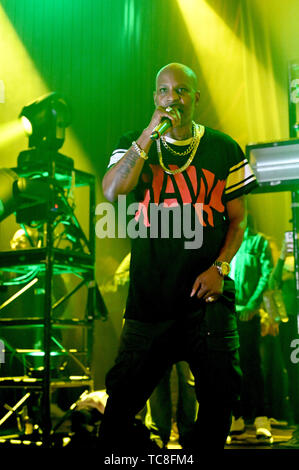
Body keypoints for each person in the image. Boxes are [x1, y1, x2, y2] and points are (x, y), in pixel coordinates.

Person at [99, 62, 258, 456]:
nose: (174, 98)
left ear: (196, 98)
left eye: (182, 90)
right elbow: (112, 191)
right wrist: (147, 136)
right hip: (150, 298)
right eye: (165, 91)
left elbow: (238, 221)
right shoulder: (133, 143)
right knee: (121, 401)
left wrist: (220, 267)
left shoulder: (224, 148)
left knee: (220, 398)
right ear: (155, 98)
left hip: (207, 298)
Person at [227, 217, 274, 442]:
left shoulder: (258, 243)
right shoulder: (225, 243)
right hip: (228, 313)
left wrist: (253, 304)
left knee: (251, 364)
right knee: (230, 366)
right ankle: (236, 416)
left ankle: (260, 418)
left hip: (247, 313)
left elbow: (267, 274)